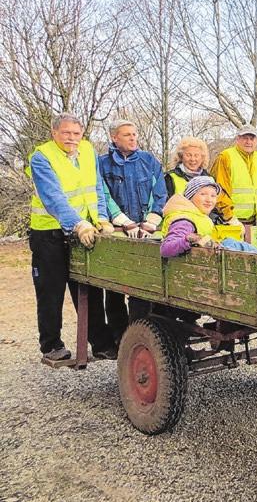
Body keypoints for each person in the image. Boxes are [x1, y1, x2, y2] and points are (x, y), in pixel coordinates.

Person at [28, 112, 116, 361]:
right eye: (66, 133)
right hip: (50, 234)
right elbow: (53, 198)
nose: (71, 138)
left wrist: (101, 218)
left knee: (90, 288)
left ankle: (101, 343)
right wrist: (77, 224)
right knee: (50, 290)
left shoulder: (87, 151)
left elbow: (96, 187)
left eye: (76, 134)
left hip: (85, 231)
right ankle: (51, 346)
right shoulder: (42, 157)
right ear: (54, 133)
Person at [100, 119, 168, 345]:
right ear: (114, 138)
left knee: (145, 285)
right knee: (115, 286)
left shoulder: (149, 161)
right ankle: (120, 338)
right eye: (127, 134)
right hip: (119, 229)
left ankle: (141, 337)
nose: (133, 138)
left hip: (147, 230)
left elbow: (160, 192)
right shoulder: (102, 164)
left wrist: (151, 220)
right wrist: (122, 220)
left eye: (135, 134)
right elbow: (103, 194)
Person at [160, 176, 257, 258]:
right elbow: (166, 249)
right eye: (203, 194)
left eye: (213, 196)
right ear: (190, 197)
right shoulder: (184, 220)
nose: (209, 200)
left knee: (230, 242)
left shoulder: (198, 216)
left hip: (203, 262)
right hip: (197, 268)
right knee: (230, 244)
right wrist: (189, 239)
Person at [209, 124, 257, 232]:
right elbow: (219, 191)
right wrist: (230, 217)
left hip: (252, 222)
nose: (248, 142)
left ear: (256, 141)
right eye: (245, 138)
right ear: (238, 139)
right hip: (227, 222)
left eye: (252, 138)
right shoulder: (225, 157)